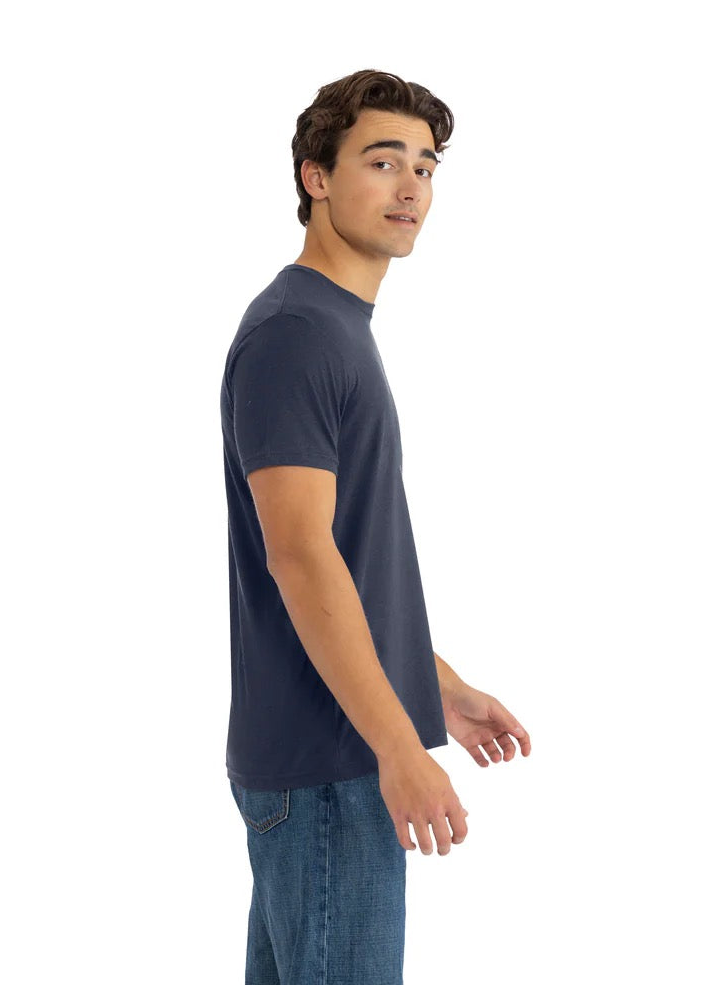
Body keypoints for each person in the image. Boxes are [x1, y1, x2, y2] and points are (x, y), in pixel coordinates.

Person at [219, 69, 532, 984]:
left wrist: (438, 686)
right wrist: (398, 746)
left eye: (426, 167)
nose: (411, 188)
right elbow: (299, 557)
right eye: (383, 161)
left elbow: (349, 560)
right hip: (334, 767)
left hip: (326, 762)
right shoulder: (297, 333)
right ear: (316, 176)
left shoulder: (331, 325)